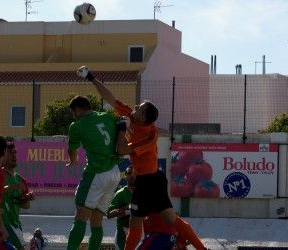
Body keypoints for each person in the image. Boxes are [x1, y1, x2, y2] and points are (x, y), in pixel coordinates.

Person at [76, 66, 205, 250]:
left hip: (147, 181)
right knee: (165, 219)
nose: (135, 107)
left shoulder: (149, 135)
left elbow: (121, 151)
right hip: (151, 179)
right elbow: (110, 97)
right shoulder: (133, 117)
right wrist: (91, 77)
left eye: (139, 108)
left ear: (144, 117)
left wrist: (121, 128)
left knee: (140, 222)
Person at [65, 95, 124, 250]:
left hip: (96, 173)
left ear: (77, 109)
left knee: (80, 217)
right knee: (97, 221)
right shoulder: (106, 116)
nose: (73, 116)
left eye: (73, 112)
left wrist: (73, 160)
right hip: (115, 172)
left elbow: (72, 149)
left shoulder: (76, 125)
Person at [2, 142, 35, 250]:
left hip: (16, 224)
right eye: (10, 153)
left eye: (15, 153)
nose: (14, 156)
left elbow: (26, 206)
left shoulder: (20, 178)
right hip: (4, 223)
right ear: (3, 155)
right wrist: (13, 186)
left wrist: (26, 198)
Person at [107, 167, 135, 250]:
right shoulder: (120, 194)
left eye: (135, 173)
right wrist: (128, 208)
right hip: (122, 234)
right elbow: (109, 214)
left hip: (139, 231)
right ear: (125, 176)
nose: (132, 175)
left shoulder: (143, 192)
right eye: (129, 173)